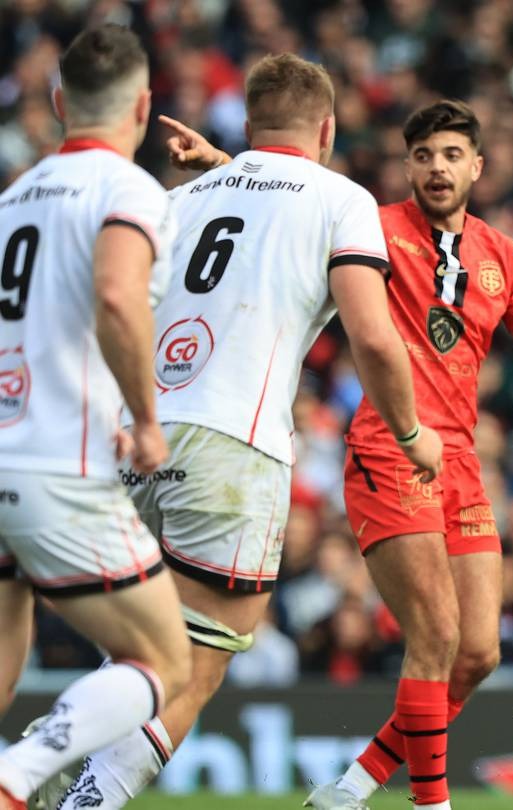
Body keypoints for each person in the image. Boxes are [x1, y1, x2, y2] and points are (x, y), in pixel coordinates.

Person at [157, 99, 513, 810]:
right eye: (424, 155)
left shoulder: (505, 257)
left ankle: (352, 786)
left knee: (478, 654)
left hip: (460, 460)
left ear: (479, 166)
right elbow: (290, 197)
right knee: (433, 634)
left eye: (452, 154)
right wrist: (221, 165)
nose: (438, 167)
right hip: (387, 445)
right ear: (407, 165)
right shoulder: (369, 221)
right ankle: (431, 803)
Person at [35, 53, 442, 810]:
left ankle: (42, 771)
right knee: (196, 665)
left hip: (133, 437)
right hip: (234, 446)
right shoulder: (341, 198)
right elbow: (376, 338)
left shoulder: (175, 197)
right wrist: (413, 431)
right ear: (327, 128)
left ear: (248, 126)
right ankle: (67, 788)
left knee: (137, 658)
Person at [0, 25, 191, 810]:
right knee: (161, 660)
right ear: (144, 106)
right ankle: (13, 779)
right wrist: (146, 420)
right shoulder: (127, 189)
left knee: (8, 630)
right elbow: (117, 294)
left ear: (56, 103)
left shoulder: (13, 197)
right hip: (56, 463)